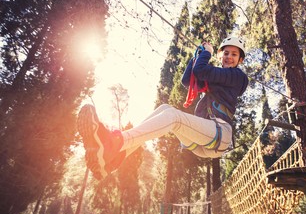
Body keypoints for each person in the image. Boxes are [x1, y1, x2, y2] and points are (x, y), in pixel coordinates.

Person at [77, 36, 249, 180]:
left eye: (234, 54)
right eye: (226, 53)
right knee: (165, 108)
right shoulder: (218, 76)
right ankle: (114, 158)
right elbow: (188, 80)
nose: (229, 57)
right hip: (202, 141)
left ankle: (115, 142)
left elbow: (202, 71)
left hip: (219, 133)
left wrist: (208, 52)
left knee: (174, 117)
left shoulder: (237, 77)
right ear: (221, 56)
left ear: (240, 60)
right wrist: (196, 56)